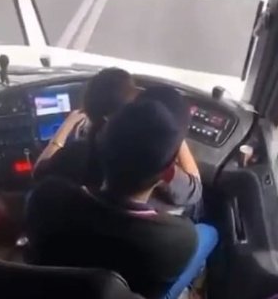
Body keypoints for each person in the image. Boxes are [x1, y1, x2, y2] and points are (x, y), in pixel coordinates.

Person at [24, 87, 218, 299]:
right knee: (210, 232)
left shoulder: (45, 198)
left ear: (100, 145)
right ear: (167, 172)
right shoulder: (180, 238)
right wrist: (173, 138)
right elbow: (194, 191)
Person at [34, 69, 203, 217]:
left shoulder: (78, 152)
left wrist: (66, 126)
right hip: (144, 231)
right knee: (208, 230)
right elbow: (194, 192)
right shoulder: (152, 156)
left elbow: (39, 172)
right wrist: (171, 133)